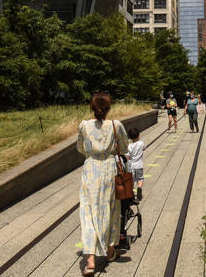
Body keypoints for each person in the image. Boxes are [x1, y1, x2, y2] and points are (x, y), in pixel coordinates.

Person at [77, 93, 129, 276]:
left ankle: (90, 261)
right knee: (110, 210)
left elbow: (80, 148)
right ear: (108, 108)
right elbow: (124, 148)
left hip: (90, 170)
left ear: (92, 107)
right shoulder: (116, 125)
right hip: (109, 170)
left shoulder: (84, 126)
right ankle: (110, 251)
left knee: (88, 212)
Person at [127, 127, 145, 201]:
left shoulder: (129, 146)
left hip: (132, 166)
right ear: (138, 135)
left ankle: (131, 193)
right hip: (139, 165)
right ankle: (139, 188)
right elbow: (144, 148)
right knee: (140, 178)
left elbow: (127, 157)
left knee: (132, 180)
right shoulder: (141, 143)